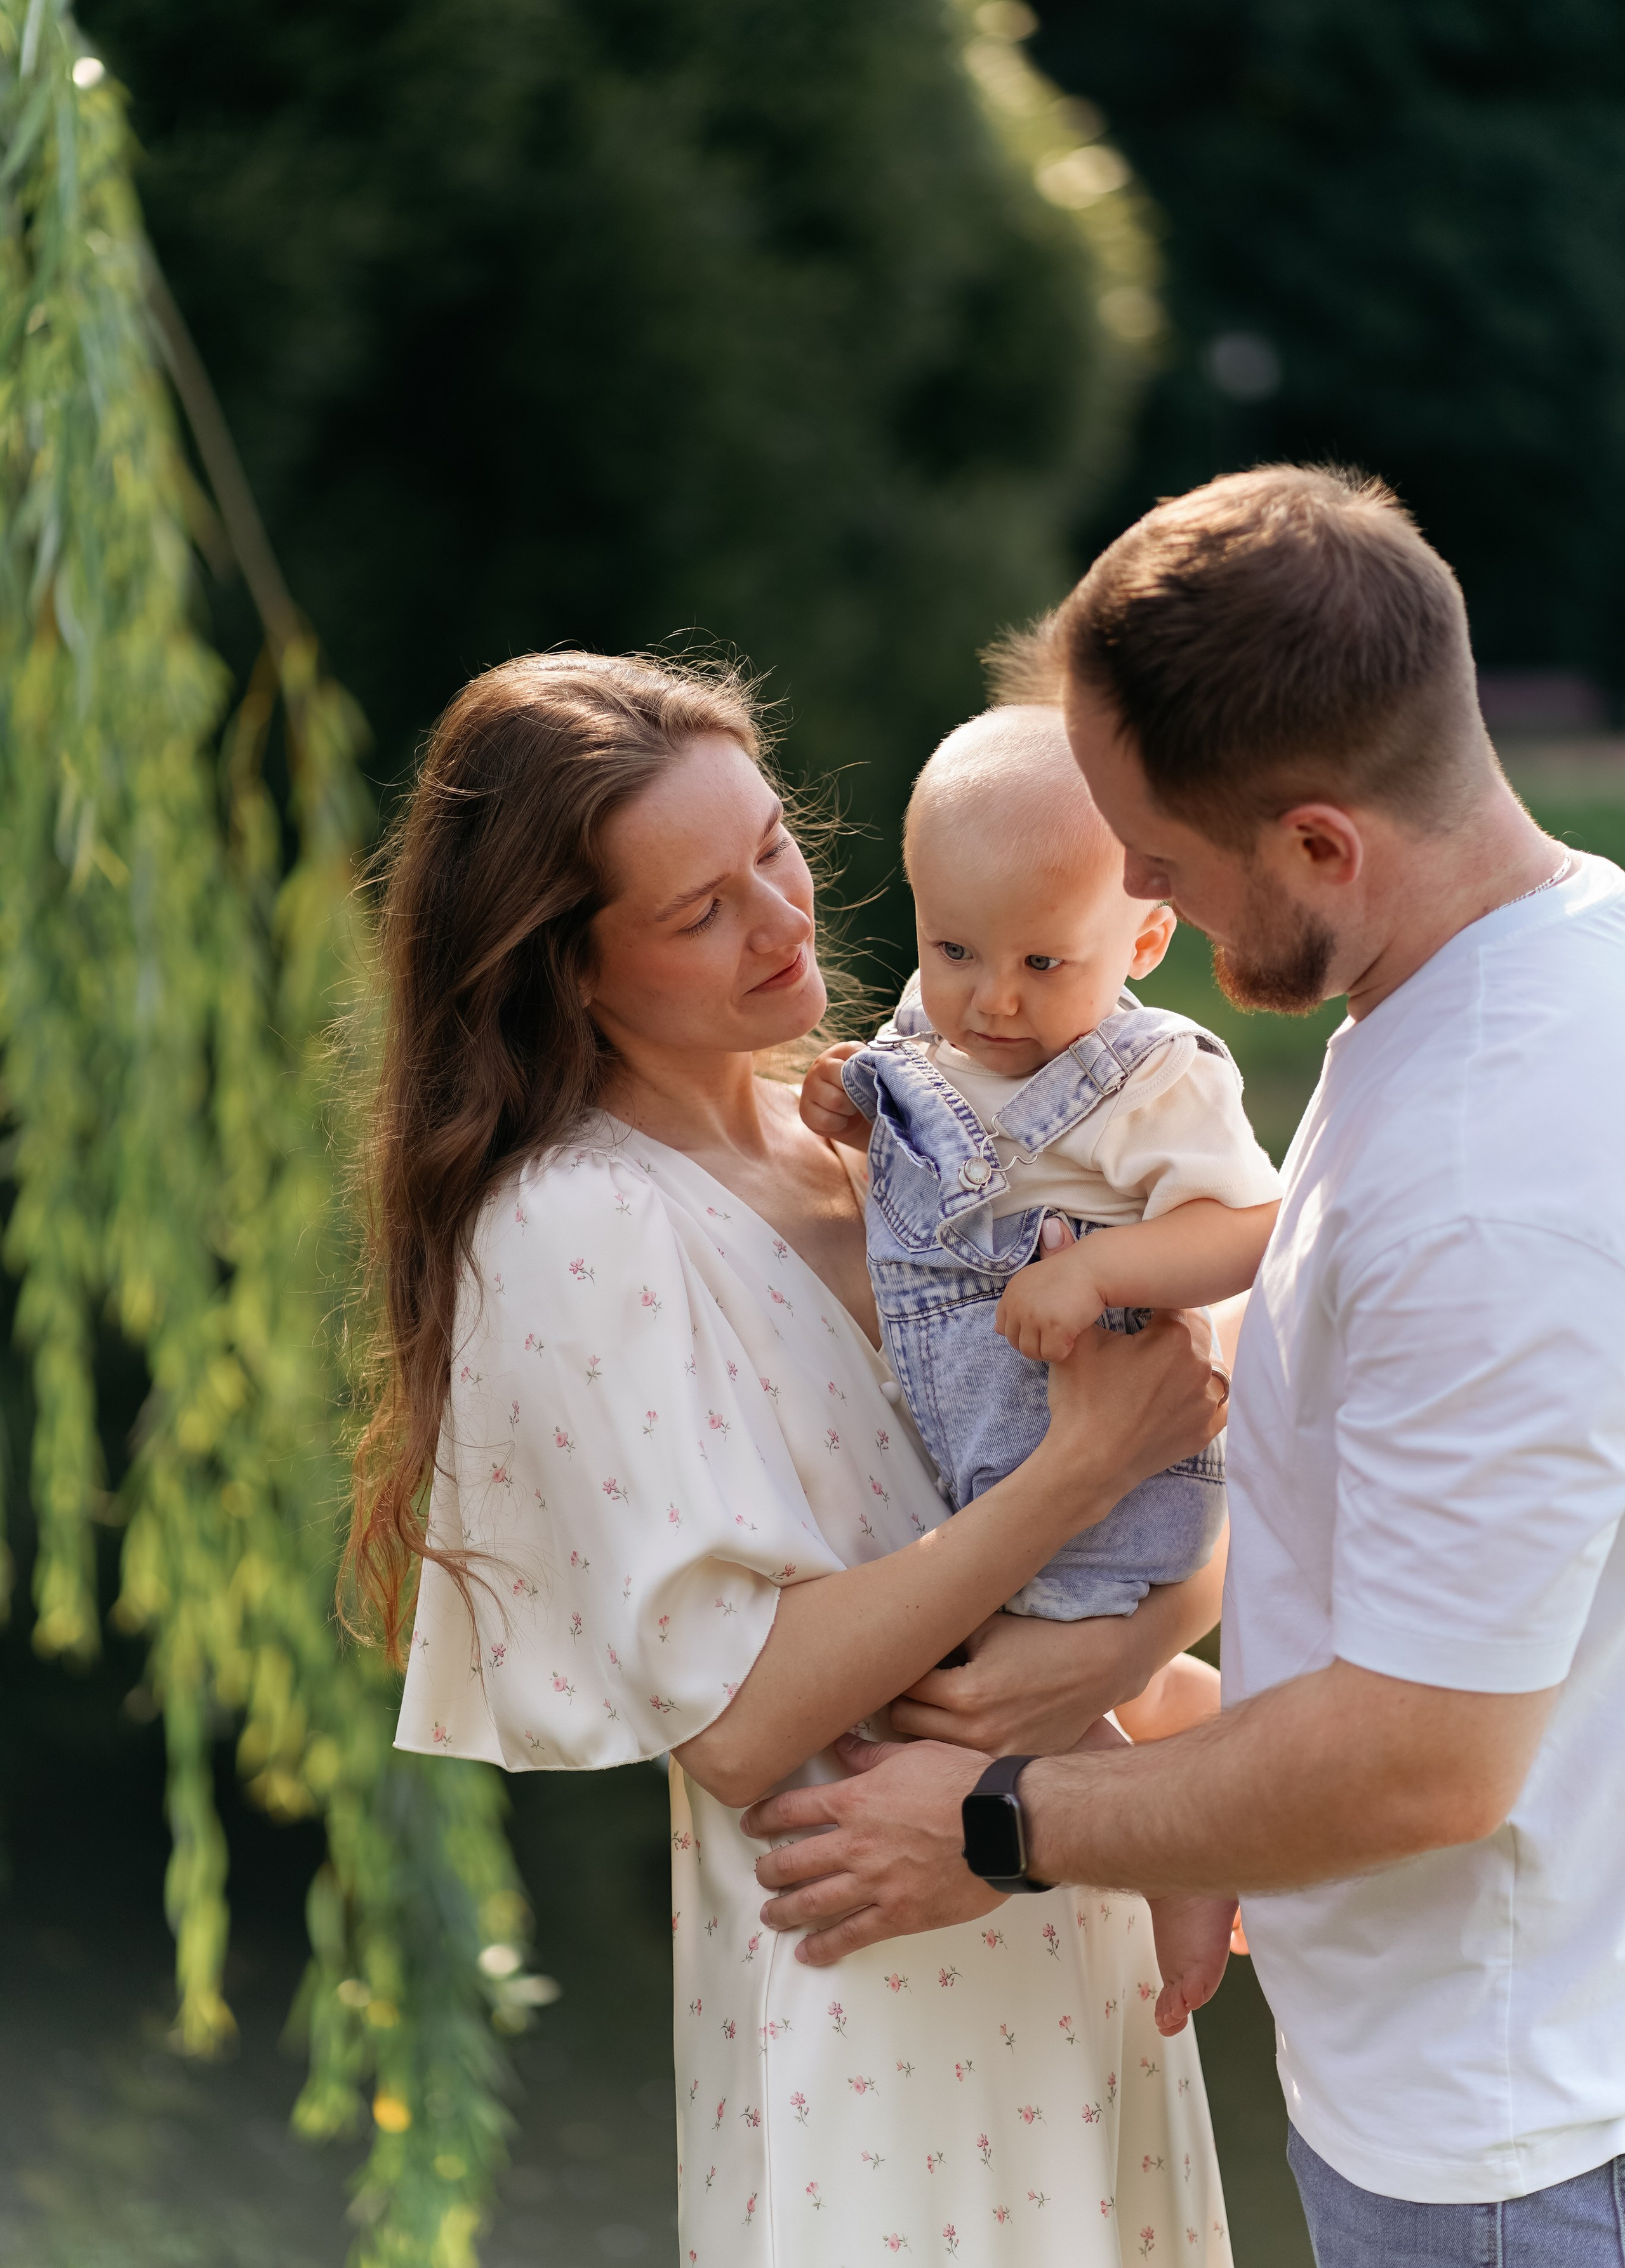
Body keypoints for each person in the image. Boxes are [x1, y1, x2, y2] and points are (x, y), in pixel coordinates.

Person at [744, 465, 1625, 2268]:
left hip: (1507, 2135)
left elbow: (1422, 1764)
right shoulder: (1541, 973)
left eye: (1161, 857)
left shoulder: (1478, 1185)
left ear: (1320, 847)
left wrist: (1008, 1821)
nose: (1133, 889)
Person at [350, 651, 1237, 2265]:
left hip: (1059, 1892)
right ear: (568, 971)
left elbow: (1187, 1464)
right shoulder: (575, 1228)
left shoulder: (898, 1125)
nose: (780, 921)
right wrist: (1073, 1483)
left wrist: (1125, 1729)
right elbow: (747, 1718)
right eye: (697, 912)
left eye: (770, 846)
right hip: (882, 1998)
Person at [798, 701, 1279, 2031]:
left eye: (1040, 962)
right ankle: (1206, 1763)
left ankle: (1172, 1851)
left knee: (983, 1690)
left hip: (1110, 1458)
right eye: (951, 947)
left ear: (1140, 939)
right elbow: (921, 1197)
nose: (991, 998)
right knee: (1043, 1664)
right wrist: (852, 1111)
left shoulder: (1149, 1078)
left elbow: (1253, 1227)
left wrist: (1101, 1272)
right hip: (984, 1461)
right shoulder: (931, 1039)